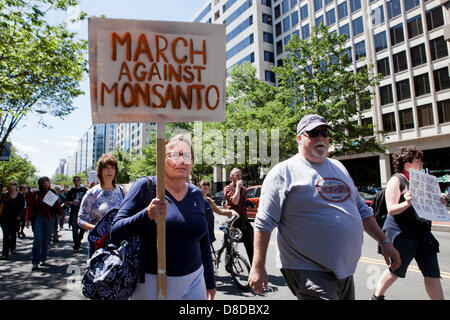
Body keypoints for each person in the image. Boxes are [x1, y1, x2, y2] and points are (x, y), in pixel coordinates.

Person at [248, 114, 401, 300]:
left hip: (344, 269)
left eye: (325, 133)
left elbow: (362, 210)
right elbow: (264, 222)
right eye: (313, 133)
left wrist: (384, 242)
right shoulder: (283, 172)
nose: (321, 137)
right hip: (306, 268)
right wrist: (257, 266)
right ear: (299, 138)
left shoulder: (339, 167)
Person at [110, 134, 216, 300]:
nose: (181, 160)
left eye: (187, 155)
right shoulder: (146, 187)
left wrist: (210, 281)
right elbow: (115, 232)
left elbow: (203, 239)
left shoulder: (196, 194)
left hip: (195, 281)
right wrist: (146, 215)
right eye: (174, 155)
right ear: (161, 160)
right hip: (153, 282)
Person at [372, 146, 444, 300]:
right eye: (418, 161)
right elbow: (391, 209)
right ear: (407, 164)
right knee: (396, 269)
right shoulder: (397, 180)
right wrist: (407, 203)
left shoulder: (423, 181)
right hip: (403, 233)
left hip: (423, 233)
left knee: (432, 273)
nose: (422, 164)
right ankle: (377, 296)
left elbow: (428, 208)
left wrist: (439, 203)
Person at [78, 154, 124, 257]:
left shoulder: (122, 191)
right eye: (106, 168)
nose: (110, 171)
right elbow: (81, 220)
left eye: (112, 168)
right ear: (100, 171)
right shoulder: (92, 193)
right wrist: (96, 229)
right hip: (98, 243)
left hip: (118, 242)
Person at [25, 177, 62, 271]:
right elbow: (30, 207)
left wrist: (61, 214)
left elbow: (57, 205)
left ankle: (43, 258)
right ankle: (35, 261)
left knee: (46, 239)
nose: (47, 183)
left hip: (50, 217)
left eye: (48, 182)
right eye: (45, 182)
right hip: (38, 217)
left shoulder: (52, 193)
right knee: (37, 239)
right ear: (41, 183)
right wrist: (27, 219)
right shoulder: (35, 194)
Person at [223, 168, 254, 265]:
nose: (240, 177)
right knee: (230, 245)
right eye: (237, 175)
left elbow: (242, 201)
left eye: (240, 175)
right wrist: (237, 188)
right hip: (233, 220)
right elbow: (235, 201)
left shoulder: (244, 189)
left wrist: (248, 202)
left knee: (250, 244)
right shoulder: (228, 188)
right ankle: (229, 266)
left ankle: (254, 268)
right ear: (231, 177)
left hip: (244, 219)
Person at [0, 181, 25, 259]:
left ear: (16, 186)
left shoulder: (20, 195)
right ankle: (5, 253)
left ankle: (13, 248)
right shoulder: (5, 195)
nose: (13, 186)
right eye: (11, 184)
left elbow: (22, 207)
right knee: (6, 234)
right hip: (5, 218)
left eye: (14, 184)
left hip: (15, 218)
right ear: (9, 185)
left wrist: (19, 216)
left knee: (13, 233)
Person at [66, 176, 87, 251]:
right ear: (73, 182)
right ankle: (76, 244)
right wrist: (72, 202)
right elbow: (66, 202)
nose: (76, 181)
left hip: (83, 213)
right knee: (74, 229)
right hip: (74, 212)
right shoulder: (70, 191)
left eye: (78, 180)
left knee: (83, 229)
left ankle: (79, 240)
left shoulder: (85, 190)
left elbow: (90, 199)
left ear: (80, 181)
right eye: (75, 180)